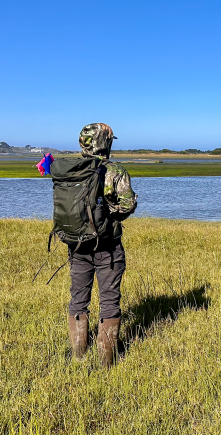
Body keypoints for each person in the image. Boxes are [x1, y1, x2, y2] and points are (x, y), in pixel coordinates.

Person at [67, 123, 137, 367]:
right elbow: (127, 206)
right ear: (106, 143)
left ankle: (78, 356)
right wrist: (110, 215)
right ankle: (106, 364)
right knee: (109, 300)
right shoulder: (115, 170)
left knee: (78, 299)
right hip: (107, 246)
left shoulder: (70, 169)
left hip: (76, 244)